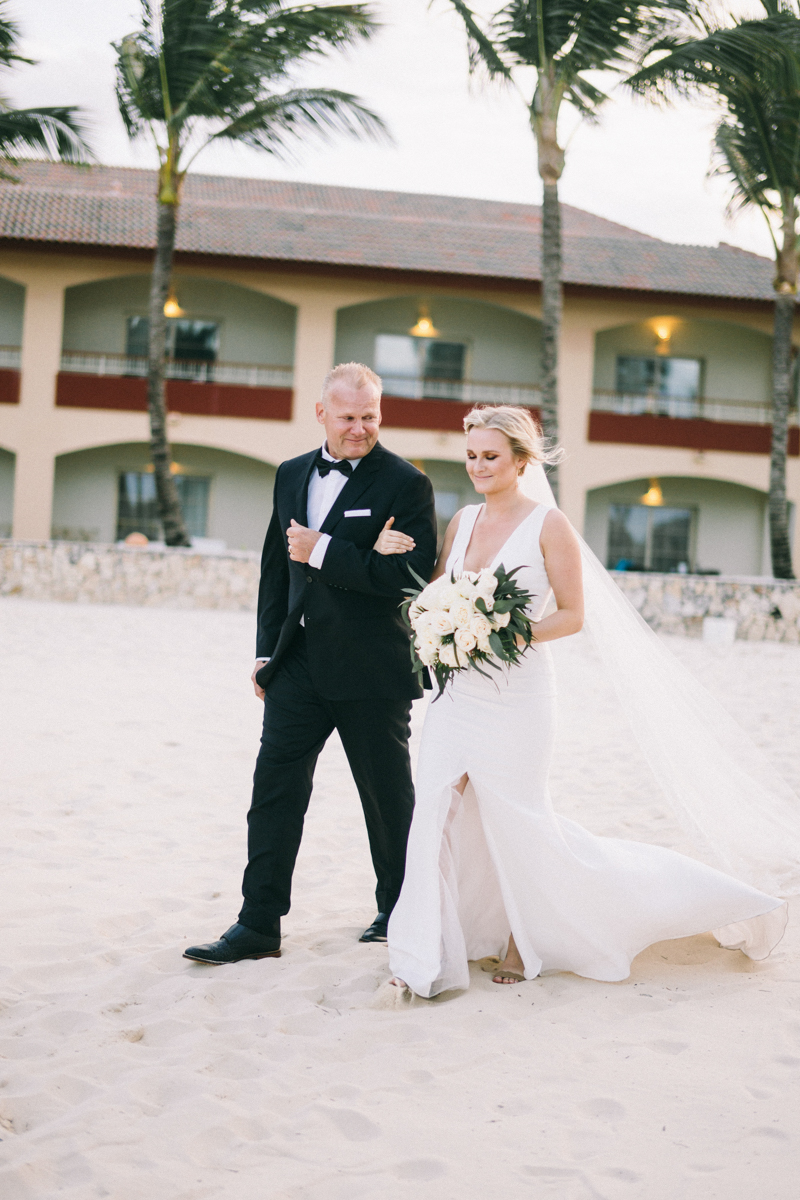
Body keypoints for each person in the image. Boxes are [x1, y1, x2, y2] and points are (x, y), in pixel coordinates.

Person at [381, 405, 788, 997]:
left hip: (517, 694)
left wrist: (506, 629)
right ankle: (419, 950)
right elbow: (438, 593)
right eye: (470, 456)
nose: (477, 467)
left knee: (516, 818)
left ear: (522, 460)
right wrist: (440, 619)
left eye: (490, 456)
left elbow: (572, 615)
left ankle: (527, 941)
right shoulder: (461, 521)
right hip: (458, 692)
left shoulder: (548, 525)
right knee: (435, 813)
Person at [184, 363, 437, 965]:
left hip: (372, 670)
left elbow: (407, 575)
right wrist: (266, 650)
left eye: (370, 416)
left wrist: (325, 550)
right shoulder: (291, 473)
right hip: (296, 666)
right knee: (273, 791)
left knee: (386, 797)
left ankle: (398, 909)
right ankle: (257, 925)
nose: (360, 428)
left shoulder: (407, 484)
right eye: (348, 417)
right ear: (321, 413)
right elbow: (277, 567)